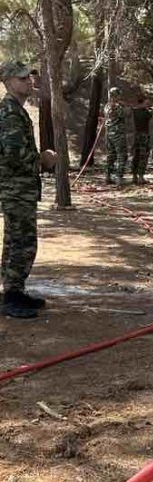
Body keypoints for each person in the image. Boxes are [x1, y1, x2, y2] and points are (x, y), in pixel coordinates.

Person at [0, 60, 56, 320]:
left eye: (29, 77)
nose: (28, 81)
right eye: (22, 78)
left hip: (19, 188)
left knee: (15, 240)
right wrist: (42, 160)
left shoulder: (15, 111)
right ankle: (12, 297)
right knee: (23, 242)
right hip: (16, 188)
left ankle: (14, 291)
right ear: (9, 82)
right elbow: (13, 155)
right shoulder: (10, 112)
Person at [131, 91, 153, 185]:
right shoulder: (146, 112)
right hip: (144, 136)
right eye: (147, 101)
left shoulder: (135, 111)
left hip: (136, 135)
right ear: (144, 101)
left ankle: (134, 176)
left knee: (136, 156)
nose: (149, 103)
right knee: (143, 156)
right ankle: (141, 177)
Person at [104, 86, 127, 186]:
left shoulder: (107, 106)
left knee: (111, 156)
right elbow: (124, 114)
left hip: (109, 134)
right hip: (118, 135)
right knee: (122, 156)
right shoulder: (118, 107)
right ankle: (119, 178)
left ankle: (108, 177)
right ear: (117, 95)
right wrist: (124, 106)